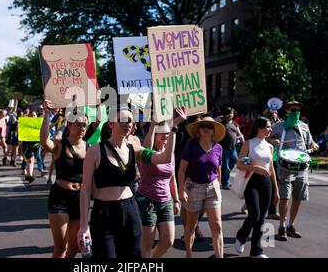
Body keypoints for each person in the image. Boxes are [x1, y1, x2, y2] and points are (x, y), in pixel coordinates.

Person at [78, 107, 186, 258]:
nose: (127, 123)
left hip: (130, 211)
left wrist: (174, 128)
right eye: (122, 120)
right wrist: (84, 226)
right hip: (104, 213)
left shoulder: (135, 150)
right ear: (111, 124)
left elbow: (165, 158)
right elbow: (85, 189)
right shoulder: (95, 151)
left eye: (130, 120)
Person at [41, 101, 88, 258]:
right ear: (69, 124)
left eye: (84, 125)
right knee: (61, 246)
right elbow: (44, 143)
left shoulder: (90, 148)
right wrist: (47, 115)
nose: (81, 128)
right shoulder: (60, 145)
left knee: (74, 247)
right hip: (60, 197)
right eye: (77, 124)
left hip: (80, 199)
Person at [270, 101, 319, 241]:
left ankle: (291, 225)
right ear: (287, 111)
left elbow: (310, 142)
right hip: (285, 166)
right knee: (285, 197)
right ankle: (282, 226)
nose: (296, 112)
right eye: (293, 110)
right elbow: (269, 137)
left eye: (298, 110)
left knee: (298, 197)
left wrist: (314, 145)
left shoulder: (304, 127)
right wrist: (273, 141)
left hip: (302, 167)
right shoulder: (279, 126)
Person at [178, 116, 226, 258]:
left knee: (217, 225)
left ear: (213, 130)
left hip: (212, 187)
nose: (206, 128)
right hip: (193, 187)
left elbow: (219, 170)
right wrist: (181, 190)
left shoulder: (218, 147)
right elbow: (181, 170)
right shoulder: (191, 144)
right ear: (199, 129)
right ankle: (189, 254)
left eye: (209, 126)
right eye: (203, 126)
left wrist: (218, 186)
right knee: (191, 225)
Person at [234, 117, 280, 258]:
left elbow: (271, 169)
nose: (270, 129)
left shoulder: (270, 146)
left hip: (266, 183)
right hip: (251, 182)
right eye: (267, 127)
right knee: (254, 215)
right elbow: (239, 164)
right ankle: (241, 237)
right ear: (259, 128)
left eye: (270, 127)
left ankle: (256, 251)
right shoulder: (249, 143)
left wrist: (276, 190)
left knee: (262, 219)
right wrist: (255, 168)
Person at [136, 121, 180, 258]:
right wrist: (153, 125)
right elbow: (146, 147)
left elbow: (172, 179)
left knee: (168, 241)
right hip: (147, 201)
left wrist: (176, 200)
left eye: (168, 133)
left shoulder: (169, 153)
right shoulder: (147, 152)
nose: (166, 136)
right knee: (146, 246)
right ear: (154, 135)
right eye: (163, 133)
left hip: (165, 201)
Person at [219, 107, 244, 190]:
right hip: (224, 148)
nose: (231, 115)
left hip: (233, 148)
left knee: (234, 162)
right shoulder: (222, 124)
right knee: (225, 166)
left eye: (232, 113)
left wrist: (244, 144)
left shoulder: (235, 124)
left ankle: (224, 179)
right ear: (225, 114)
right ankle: (225, 183)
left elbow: (239, 134)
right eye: (229, 113)